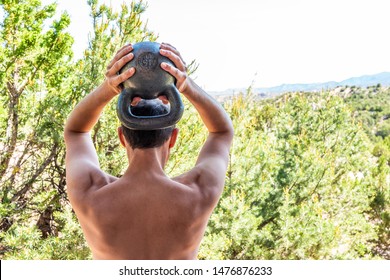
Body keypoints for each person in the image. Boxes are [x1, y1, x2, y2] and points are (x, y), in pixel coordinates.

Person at [64, 43, 234, 260]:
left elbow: (75, 131)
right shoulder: (199, 193)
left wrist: (110, 86)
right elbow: (222, 131)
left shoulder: (90, 192)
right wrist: (185, 85)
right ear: (172, 139)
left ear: (122, 138)